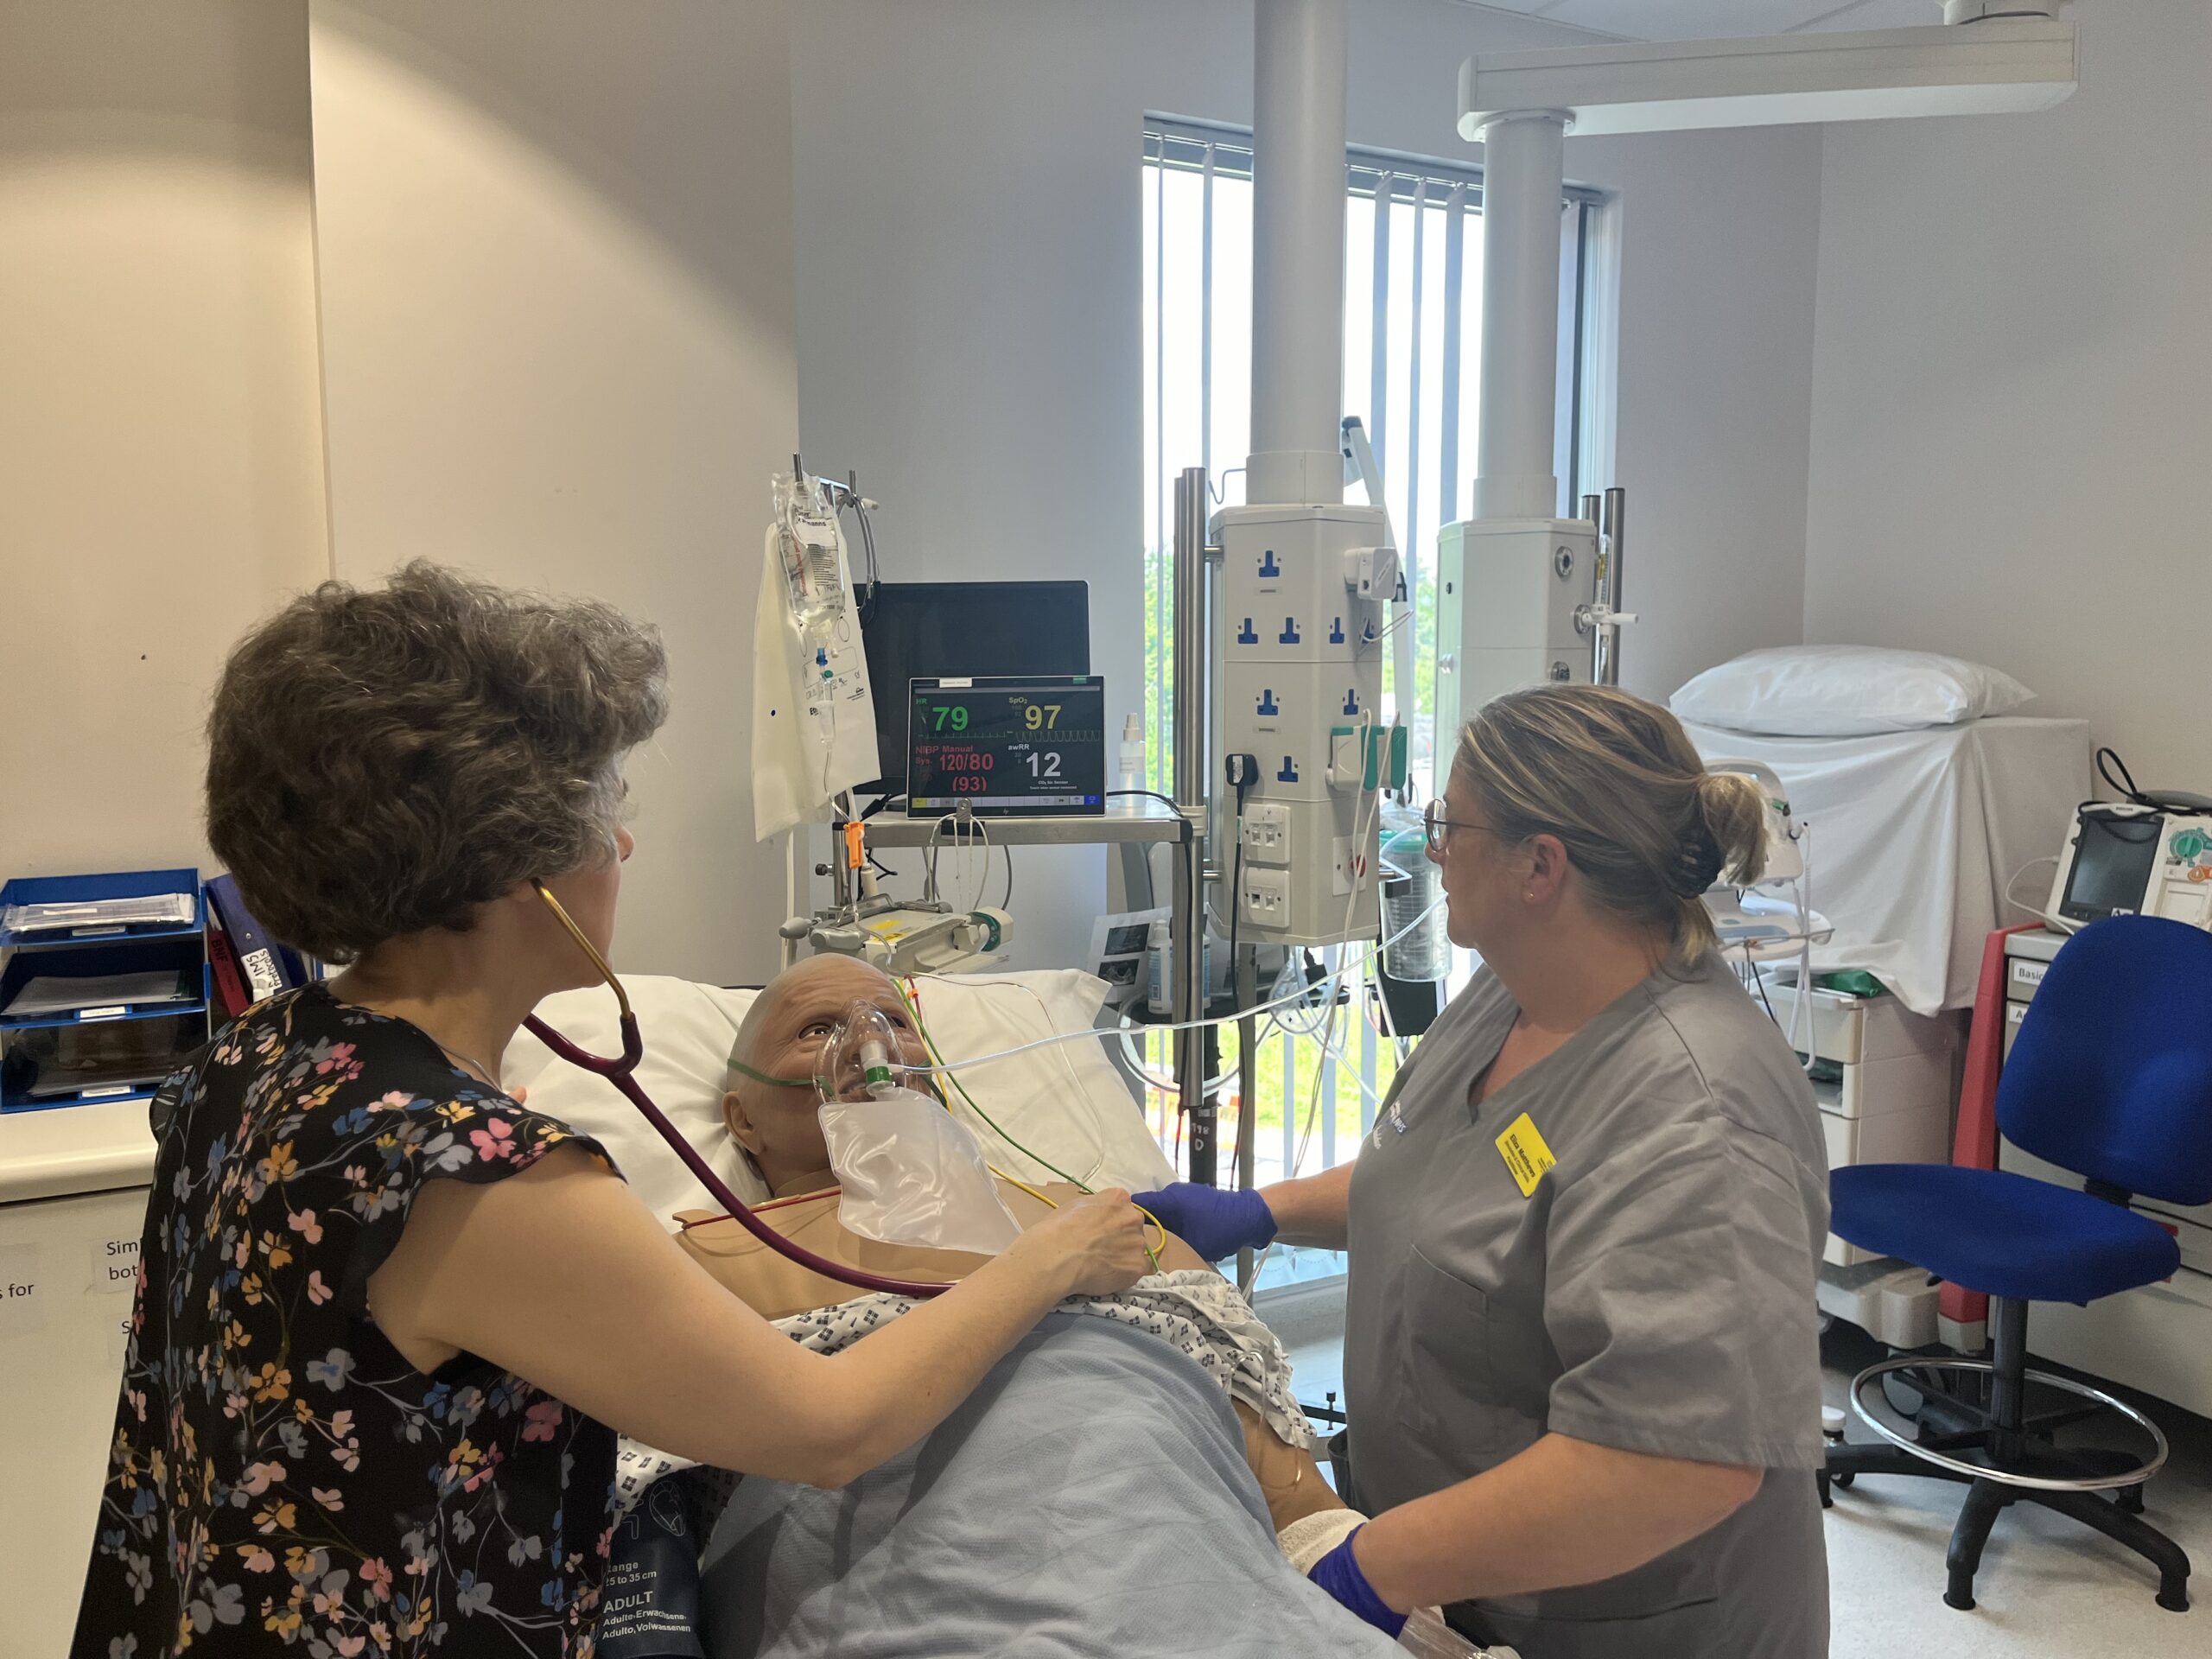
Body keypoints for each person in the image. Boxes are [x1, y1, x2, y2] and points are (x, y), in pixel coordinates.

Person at [72, 563, 1150, 1659]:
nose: (622, 844)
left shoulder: (256, 1054)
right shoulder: (484, 1177)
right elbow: (831, 1429)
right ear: (515, 863)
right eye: (603, 805)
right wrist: (1052, 1258)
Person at [1138, 684, 1832, 1657]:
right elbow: (1451, 1183)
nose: (1431, 851)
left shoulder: (1696, 1112)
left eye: (1448, 826)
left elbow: (1675, 1465)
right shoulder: (1513, 995)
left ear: (1539, 866)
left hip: (1622, 1623)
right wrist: (1256, 1210)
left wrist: (1372, 1567)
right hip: (1461, 1579)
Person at [687, 950, 1348, 1532]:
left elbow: (1290, 1498)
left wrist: (1333, 1550)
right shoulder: (710, 1264)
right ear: (742, 1120)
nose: (870, 1042)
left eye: (896, 1022)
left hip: (1163, 1524)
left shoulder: (1091, 1220)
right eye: (817, 1030)